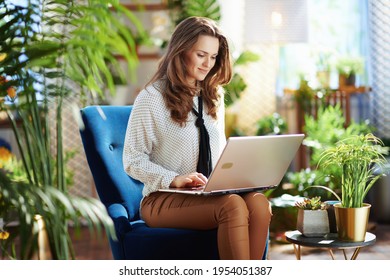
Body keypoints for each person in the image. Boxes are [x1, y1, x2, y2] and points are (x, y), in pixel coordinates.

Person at [123, 16, 272, 260]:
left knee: (258, 204)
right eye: (201, 55)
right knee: (232, 206)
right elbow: (132, 160)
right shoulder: (151, 98)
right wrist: (175, 179)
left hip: (209, 194)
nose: (208, 64)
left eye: (213, 57)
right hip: (163, 199)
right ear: (180, 51)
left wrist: (242, 176)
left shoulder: (214, 96)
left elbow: (219, 151)